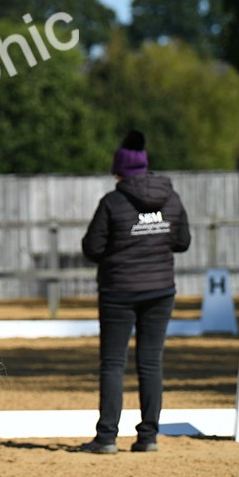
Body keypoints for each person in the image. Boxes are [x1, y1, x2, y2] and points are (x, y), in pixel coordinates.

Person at [78, 131, 191, 454]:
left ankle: (107, 437)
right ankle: (148, 436)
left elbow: (92, 247)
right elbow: (182, 242)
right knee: (151, 361)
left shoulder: (113, 202)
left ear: (120, 172)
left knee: (113, 363)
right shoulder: (171, 198)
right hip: (160, 290)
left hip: (119, 291)